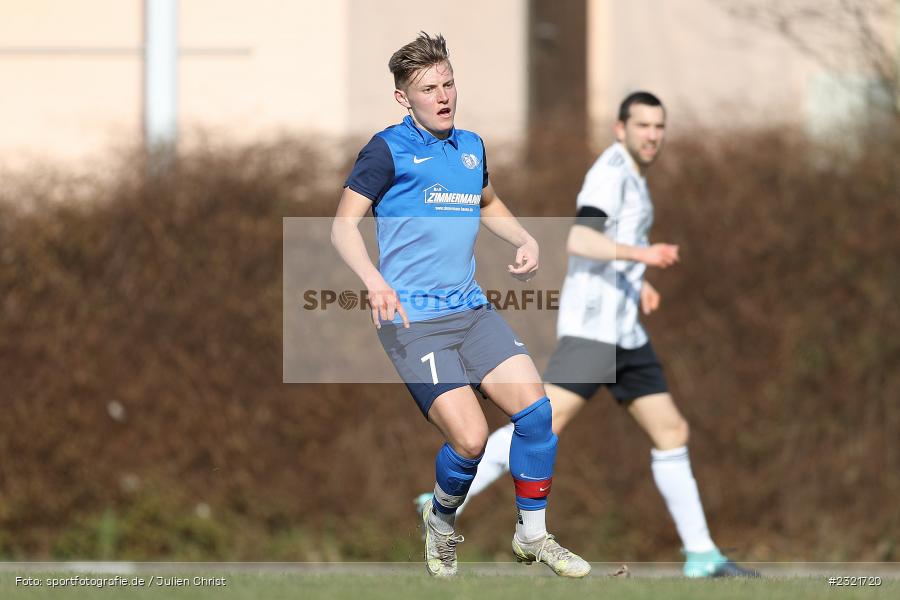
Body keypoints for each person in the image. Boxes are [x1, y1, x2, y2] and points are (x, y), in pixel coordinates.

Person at [415, 91, 759, 578]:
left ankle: (702, 555)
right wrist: (644, 257)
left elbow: (611, 247)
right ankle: (443, 498)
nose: (653, 135)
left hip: (625, 334)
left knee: (671, 431)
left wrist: (638, 285)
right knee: (538, 424)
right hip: (595, 334)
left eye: (659, 126)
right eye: (643, 125)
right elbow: (582, 238)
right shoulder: (611, 173)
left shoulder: (636, 179)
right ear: (621, 129)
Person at [331, 32, 589, 579]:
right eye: (429, 88)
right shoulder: (387, 150)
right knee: (470, 442)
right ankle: (442, 521)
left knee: (536, 413)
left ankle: (533, 534)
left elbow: (487, 201)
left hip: (470, 311)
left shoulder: (470, 145)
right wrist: (374, 280)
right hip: (414, 324)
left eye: (448, 83)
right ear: (404, 98)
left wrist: (524, 238)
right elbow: (341, 227)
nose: (444, 96)